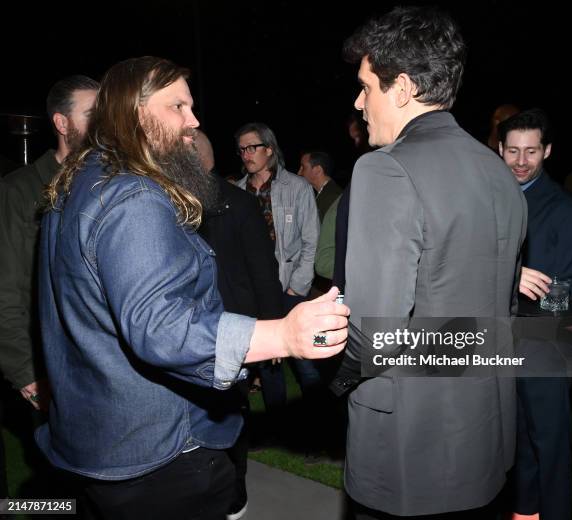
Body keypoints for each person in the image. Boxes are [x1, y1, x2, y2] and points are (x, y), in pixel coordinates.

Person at [36, 56, 348, 520]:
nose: (194, 120)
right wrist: (283, 335)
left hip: (99, 440)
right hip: (157, 451)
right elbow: (160, 326)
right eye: (177, 106)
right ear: (133, 113)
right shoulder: (134, 196)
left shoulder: (78, 186)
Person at [332, 6, 527, 519]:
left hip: (408, 447)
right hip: (485, 433)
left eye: (366, 87)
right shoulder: (499, 172)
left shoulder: (385, 170)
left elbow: (376, 334)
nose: (359, 102)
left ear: (401, 88)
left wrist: (338, 376)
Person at [498, 108, 572, 520]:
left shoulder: (568, 213)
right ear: (500, 150)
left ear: (548, 151)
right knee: (513, 445)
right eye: (512, 151)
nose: (521, 162)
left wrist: (530, 292)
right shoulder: (493, 203)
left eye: (531, 151)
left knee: (551, 450)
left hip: (546, 351)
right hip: (496, 346)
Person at [0, 75, 98, 502]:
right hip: (50, 368)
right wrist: (24, 372)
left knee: (100, 486)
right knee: (58, 488)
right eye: (93, 114)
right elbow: (7, 288)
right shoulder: (20, 191)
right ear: (62, 122)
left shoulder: (106, 183)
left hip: (103, 368)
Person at [194, 129, 284, 519]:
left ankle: (234, 490)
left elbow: (264, 273)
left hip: (230, 330)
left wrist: (274, 331)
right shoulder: (169, 202)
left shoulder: (238, 204)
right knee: (223, 411)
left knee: (230, 412)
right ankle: (227, 489)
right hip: (211, 330)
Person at [234, 122, 322, 439]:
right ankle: (280, 430)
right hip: (255, 293)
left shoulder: (296, 188)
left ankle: (314, 434)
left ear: (269, 149)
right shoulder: (239, 191)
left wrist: (296, 287)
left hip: (288, 288)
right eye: (242, 149)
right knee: (267, 365)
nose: (246, 154)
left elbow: (311, 241)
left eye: (252, 147)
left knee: (304, 364)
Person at [297, 150, 341, 221]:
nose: (299, 173)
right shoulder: (322, 194)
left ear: (318, 170)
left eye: (303, 167)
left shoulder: (333, 197)